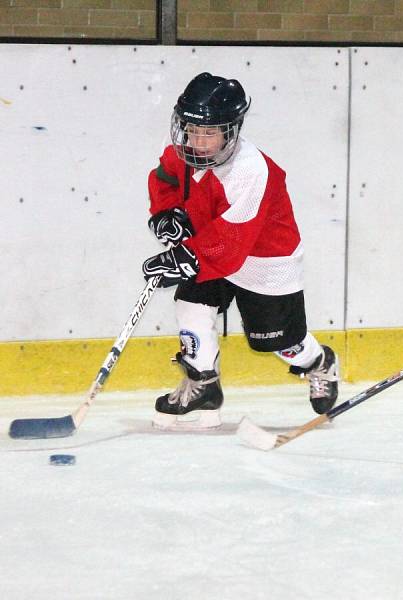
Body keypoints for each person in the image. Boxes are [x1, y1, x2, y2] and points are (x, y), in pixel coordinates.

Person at [141, 72, 339, 431]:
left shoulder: (250, 170)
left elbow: (233, 240)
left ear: (230, 131)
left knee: (281, 343)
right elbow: (164, 180)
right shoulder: (182, 154)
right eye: (192, 130)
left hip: (265, 260)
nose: (197, 141)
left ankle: (318, 361)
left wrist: (186, 258)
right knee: (190, 304)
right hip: (211, 248)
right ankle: (204, 383)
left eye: (209, 133)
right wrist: (167, 213)